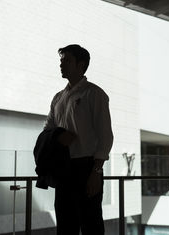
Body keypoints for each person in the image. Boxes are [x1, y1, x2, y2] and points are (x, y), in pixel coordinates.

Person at [44, 44, 114, 235]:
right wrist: (58, 136)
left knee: (91, 223)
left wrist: (96, 172)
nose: (61, 64)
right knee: (65, 225)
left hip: (87, 167)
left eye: (66, 60)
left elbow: (106, 136)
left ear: (81, 64)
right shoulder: (58, 98)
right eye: (61, 60)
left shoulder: (95, 94)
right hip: (63, 168)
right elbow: (47, 130)